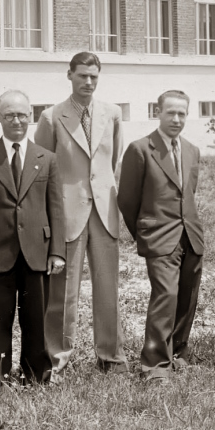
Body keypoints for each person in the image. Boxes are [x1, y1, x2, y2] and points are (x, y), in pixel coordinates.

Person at [0, 90, 66, 388]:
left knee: (36, 320)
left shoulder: (47, 159)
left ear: (31, 117)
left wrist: (57, 251)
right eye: (9, 115)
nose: (17, 121)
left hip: (38, 251)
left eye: (22, 115)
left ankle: (38, 377)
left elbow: (56, 209)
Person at [35, 52, 128, 373]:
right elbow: (42, 169)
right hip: (67, 216)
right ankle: (58, 360)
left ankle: (111, 357)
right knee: (63, 293)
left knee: (108, 289)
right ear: (69, 75)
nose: (88, 82)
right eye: (82, 76)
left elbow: (113, 162)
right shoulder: (51, 117)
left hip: (104, 211)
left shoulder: (112, 114)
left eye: (94, 77)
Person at [117, 90, 204, 384]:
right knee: (165, 296)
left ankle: (177, 353)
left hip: (190, 235)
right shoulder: (140, 149)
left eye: (182, 113)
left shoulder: (192, 150)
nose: (177, 119)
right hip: (159, 236)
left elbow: (188, 193)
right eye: (171, 113)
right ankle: (155, 366)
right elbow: (127, 200)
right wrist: (145, 233)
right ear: (158, 113)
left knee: (186, 298)